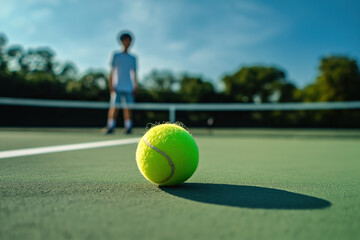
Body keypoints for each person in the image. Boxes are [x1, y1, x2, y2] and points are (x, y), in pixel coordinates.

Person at [105, 31, 138, 134]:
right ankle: (110, 126)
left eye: (129, 41)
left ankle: (128, 127)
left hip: (129, 87)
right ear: (121, 41)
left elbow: (134, 73)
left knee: (128, 108)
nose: (127, 43)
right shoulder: (116, 55)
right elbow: (112, 71)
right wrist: (111, 84)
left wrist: (135, 85)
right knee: (114, 107)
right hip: (117, 86)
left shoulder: (133, 58)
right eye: (125, 40)